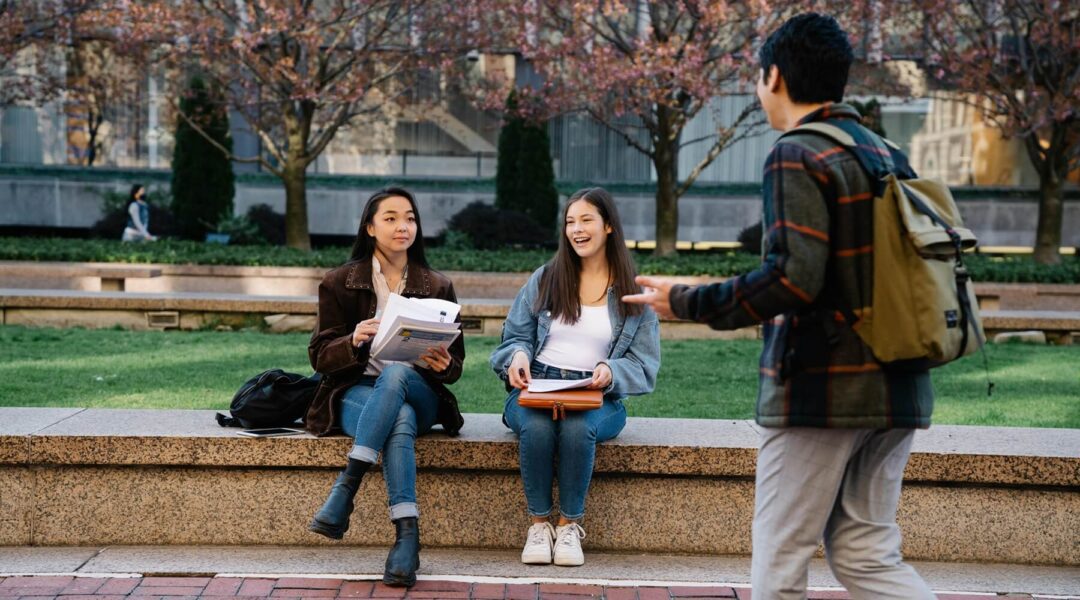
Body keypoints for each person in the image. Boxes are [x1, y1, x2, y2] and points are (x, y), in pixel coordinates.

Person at [623, 13, 936, 600]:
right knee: (866, 552)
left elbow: (793, 280)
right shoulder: (886, 152)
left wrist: (685, 301)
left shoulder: (797, 153)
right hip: (899, 383)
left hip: (823, 389)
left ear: (774, 77)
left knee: (780, 558)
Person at [490, 187, 660, 567]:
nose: (576, 229)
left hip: (597, 395)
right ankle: (539, 525)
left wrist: (610, 371)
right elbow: (514, 336)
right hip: (538, 386)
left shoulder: (634, 293)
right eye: (570, 222)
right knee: (535, 427)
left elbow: (645, 366)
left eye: (586, 220)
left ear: (609, 226)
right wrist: (518, 356)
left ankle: (568, 526)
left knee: (576, 428)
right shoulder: (546, 278)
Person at [305, 186, 465, 588]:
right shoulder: (340, 282)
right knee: (400, 419)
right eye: (391, 218)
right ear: (370, 227)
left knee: (396, 377)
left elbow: (455, 364)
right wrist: (353, 340)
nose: (403, 226)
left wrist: (444, 364)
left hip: (419, 390)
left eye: (409, 218)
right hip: (358, 393)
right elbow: (320, 356)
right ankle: (407, 538)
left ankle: (348, 485)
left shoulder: (437, 285)